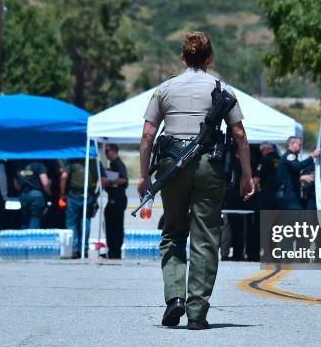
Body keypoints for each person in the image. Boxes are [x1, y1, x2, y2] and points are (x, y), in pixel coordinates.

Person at [138, 31, 254, 330]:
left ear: (183, 57)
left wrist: (143, 177)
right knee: (205, 238)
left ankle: (175, 298)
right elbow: (239, 134)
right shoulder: (222, 89)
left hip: (172, 168)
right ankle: (197, 313)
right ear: (209, 58)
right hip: (210, 167)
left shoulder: (164, 89)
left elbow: (148, 135)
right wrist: (247, 175)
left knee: (173, 232)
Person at [60, 158, 106, 258]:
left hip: (73, 195)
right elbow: (103, 180)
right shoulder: (96, 162)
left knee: (71, 223)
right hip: (89, 196)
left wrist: (62, 193)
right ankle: (84, 250)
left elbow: (64, 177)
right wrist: (96, 194)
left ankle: (74, 250)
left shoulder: (72, 161)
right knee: (85, 221)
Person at [276, 136, 320, 210]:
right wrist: (312, 156)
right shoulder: (289, 156)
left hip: (290, 193)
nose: (301, 147)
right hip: (288, 194)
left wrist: (301, 178)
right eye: (299, 145)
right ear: (292, 144)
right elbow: (297, 166)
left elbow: (289, 175)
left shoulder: (291, 156)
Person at [103, 144, 128, 259]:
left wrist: (109, 182)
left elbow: (123, 179)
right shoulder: (113, 164)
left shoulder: (118, 163)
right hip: (113, 199)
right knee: (110, 225)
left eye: (108, 151)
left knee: (115, 226)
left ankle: (115, 251)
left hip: (117, 199)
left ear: (114, 151)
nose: (106, 154)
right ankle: (112, 249)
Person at [14, 160, 50, 229]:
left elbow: (16, 185)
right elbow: (45, 182)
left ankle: (22, 238)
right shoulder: (39, 165)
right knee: (35, 218)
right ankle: (33, 238)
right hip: (37, 195)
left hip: (23, 195)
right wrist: (48, 192)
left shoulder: (19, 165)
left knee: (24, 219)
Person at [253, 142, 280, 210]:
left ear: (265, 149)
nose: (262, 153)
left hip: (267, 193)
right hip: (279, 194)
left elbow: (256, 178)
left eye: (261, 151)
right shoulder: (280, 159)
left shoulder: (265, 160)